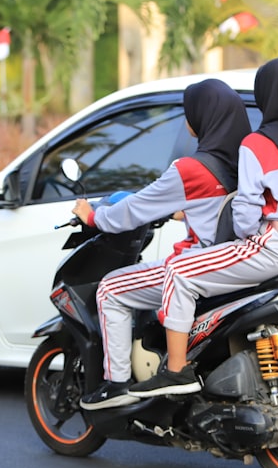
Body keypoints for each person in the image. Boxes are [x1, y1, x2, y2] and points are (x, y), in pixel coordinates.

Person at [126, 57, 278, 399]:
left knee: (179, 271)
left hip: (274, 248)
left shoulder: (257, 145)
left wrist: (247, 236)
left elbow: (245, 214)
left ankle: (175, 371)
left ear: (265, 95)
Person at [73, 78, 251, 410]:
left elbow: (135, 209)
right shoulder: (242, 161)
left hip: (200, 264)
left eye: (190, 112)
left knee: (111, 289)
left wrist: (93, 217)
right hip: (233, 262)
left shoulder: (192, 168)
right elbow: (217, 206)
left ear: (203, 118)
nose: (187, 121)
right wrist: (184, 213)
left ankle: (116, 385)